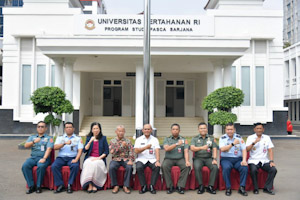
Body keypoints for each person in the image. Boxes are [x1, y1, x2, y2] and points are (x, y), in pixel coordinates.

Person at [21, 121, 54, 194]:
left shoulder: (49, 138)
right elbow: (26, 145)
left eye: (42, 127)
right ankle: (31, 186)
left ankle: (39, 186)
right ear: (37, 128)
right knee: (25, 166)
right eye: (39, 127)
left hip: (44, 158)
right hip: (33, 157)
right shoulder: (32, 137)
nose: (40, 128)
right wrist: (33, 142)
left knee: (41, 166)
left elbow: (49, 149)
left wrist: (44, 158)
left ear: (46, 128)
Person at [51, 122, 83, 193]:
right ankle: (60, 185)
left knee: (75, 166)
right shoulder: (60, 138)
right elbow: (55, 147)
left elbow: (80, 150)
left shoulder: (78, 138)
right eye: (67, 127)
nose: (68, 128)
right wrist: (64, 143)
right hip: (61, 157)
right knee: (54, 166)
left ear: (73, 129)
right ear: (65, 129)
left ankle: (69, 184)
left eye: (70, 127)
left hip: (72, 157)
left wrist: (76, 159)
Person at [246, 122, 277, 195]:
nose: (259, 130)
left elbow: (270, 150)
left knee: (273, 170)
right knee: (253, 170)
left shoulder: (267, 137)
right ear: (254, 129)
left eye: (260, 128)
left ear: (263, 129)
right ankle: (255, 188)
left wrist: (271, 161)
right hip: (253, 160)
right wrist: (254, 143)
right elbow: (247, 149)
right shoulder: (250, 138)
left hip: (264, 160)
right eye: (257, 128)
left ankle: (267, 188)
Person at [219, 123, 248, 196]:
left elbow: (244, 149)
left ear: (234, 130)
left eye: (231, 129)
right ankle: (228, 187)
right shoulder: (222, 138)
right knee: (226, 168)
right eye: (228, 129)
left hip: (238, 159)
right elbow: (222, 149)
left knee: (244, 168)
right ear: (225, 130)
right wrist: (232, 144)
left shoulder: (239, 137)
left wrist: (244, 160)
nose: (230, 131)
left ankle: (242, 187)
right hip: (226, 159)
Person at [161, 123, 191, 194]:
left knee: (187, 167)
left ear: (179, 131)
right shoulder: (167, 139)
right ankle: (170, 186)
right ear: (171, 130)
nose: (175, 131)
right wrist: (177, 144)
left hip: (180, 159)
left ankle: (180, 186)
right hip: (169, 158)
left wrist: (187, 161)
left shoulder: (183, 139)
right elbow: (166, 148)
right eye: (173, 129)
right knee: (164, 166)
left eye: (177, 129)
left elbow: (186, 151)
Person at [80, 122, 109, 193]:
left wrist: (98, 158)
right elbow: (84, 150)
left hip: (99, 158)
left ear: (100, 130)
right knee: (88, 164)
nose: (96, 130)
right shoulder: (89, 138)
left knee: (96, 164)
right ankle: (90, 184)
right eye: (94, 129)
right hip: (90, 157)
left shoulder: (103, 138)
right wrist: (90, 141)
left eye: (97, 128)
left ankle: (95, 184)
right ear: (91, 130)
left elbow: (106, 151)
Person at [190, 122, 218, 195]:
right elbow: (192, 148)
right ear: (198, 129)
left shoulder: (211, 138)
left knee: (215, 167)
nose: (203, 130)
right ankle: (201, 186)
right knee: (197, 167)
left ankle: (210, 186)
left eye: (204, 128)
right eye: (201, 128)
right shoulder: (195, 138)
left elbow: (214, 149)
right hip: (198, 158)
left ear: (207, 129)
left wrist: (214, 159)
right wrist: (201, 148)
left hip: (208, 158)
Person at [134, 124, 161, 194]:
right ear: (142, 130)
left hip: (152, 159)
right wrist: (145, 148)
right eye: (145, 129)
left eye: (148, 129)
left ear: (151, 130)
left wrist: (157, 161)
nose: (147, 130)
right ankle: (144, 186)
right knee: (139, 167)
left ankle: (152, 186)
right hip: (141, 159)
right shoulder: (138, 139)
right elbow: (136, 151)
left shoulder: (155, 139)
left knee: (157, 167)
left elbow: (157, 151)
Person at [109, 125, 134, 194]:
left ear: (124, 132)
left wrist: (131, 160)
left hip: (126, 159)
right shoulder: (112, 141)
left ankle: (126, 186)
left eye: (122, 131)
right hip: (116, 159)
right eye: (119, 131)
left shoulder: (128, 141)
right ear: (116, 132)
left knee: (129, 167)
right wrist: (121, 146)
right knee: (111, 167)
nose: (121, 133)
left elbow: (131, 151)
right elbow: (112, 152)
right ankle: (115, 185)